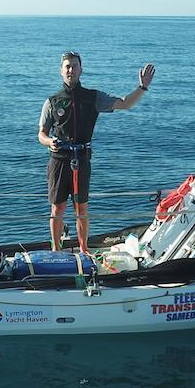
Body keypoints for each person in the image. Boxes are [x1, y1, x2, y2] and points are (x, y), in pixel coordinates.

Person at [38, 51, 155, 252]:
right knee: (58, 208)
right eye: (67, 66)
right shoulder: (52, 102)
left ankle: (83, 250)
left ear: (81, 70)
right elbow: (41, 134)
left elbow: (125, 104)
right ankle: (56, 251)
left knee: (81, 208)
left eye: (74, 66)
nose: (71, 70)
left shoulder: (93, 97)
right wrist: (50, 142)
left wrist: (142, 87)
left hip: (81, 160)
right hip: (58, 160)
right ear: (61, 71)